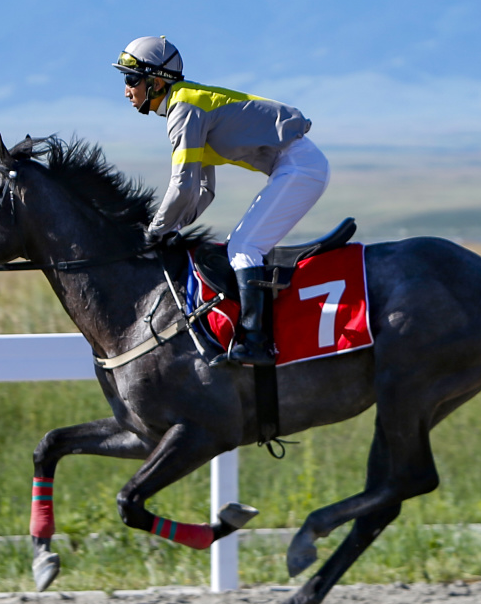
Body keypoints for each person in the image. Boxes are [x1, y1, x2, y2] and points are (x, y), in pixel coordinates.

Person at [112, 35, 330, 366]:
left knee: (244, 247)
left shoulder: (184, 110)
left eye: (131, 79)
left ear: (156, 82)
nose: (127, 90)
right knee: (239, 246)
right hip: (297, 164)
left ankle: (256, 343)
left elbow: (182, 186)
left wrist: (153, 234)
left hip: (300, 166)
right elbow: (204, 189)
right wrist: (173, 228)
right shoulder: (186, 103)